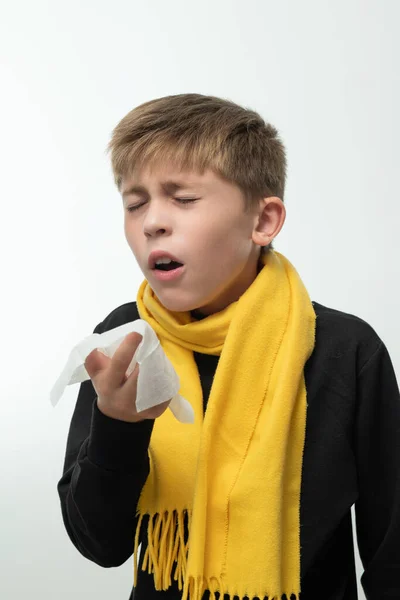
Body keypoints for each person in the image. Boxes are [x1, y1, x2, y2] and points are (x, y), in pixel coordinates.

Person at [57, 93, 400, 600]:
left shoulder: (346, 351)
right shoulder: (125, 340)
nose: (152, 221)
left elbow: (390, 544)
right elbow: (100, 544)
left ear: (263, 222)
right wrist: (116, 424)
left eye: (184, 199)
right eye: (135, 203)